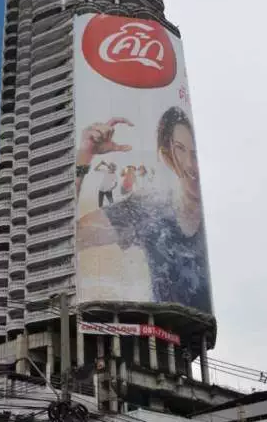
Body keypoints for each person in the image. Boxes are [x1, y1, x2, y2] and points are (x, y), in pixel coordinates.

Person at [75, 108, 212, 313]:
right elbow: (76, 236)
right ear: (167, 157)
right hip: (156, 338)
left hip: (196, 339)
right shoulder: (150, 208)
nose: (190, 164)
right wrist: (85, 155)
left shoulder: (215, 223)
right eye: (180, 149)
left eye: (195, 154)